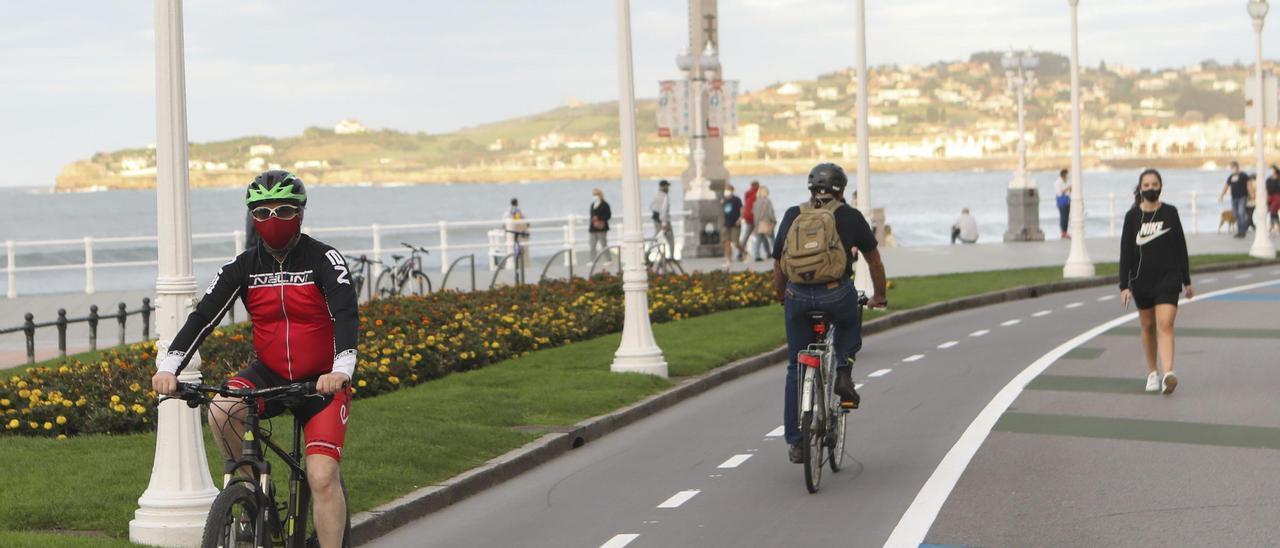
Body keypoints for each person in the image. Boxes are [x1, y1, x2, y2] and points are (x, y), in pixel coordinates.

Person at [150, 171, 356, 547]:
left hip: (322, 381)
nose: (272, 220)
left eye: (283, 210)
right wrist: (169, 365)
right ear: (251, 217)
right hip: (270, 373)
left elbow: (345, 314)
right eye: (261, 213)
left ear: (301, 213)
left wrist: (341, 369)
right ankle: (250, 494)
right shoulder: (243, 266)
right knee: (221, 409)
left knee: (322, 477)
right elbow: (203, 317)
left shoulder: (324, 259)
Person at [773, 163, 888, 463]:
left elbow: (777, 263)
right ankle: (844, 373)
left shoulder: (792, 214)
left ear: (811, 188)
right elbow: (874, 260)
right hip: (836, 293)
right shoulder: (849, 216)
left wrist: (781, 296)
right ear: (841, 189)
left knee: (794, 365)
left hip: (797, 295)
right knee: (850, 321)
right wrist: (880, 296)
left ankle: (797, 443)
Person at [1119, 168, 1192, 395]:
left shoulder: (1171, 213)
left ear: (1161, 186)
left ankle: (1168, 373)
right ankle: (1153, 372)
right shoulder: (1132, 218)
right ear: (1140, 188)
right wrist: (1124, 285)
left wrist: (1186, 280)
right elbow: (1126, 253)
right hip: (1142, 281)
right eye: (1147, 185)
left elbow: (1181, 247)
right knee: (1148, 326)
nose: (1151, 188)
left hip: (1168, 280)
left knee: (1166, 324)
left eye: (1155, 184)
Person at [1218, 161, 1251, 238]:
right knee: (1236, 214)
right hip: (1234, 198)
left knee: (1241, 213)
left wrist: (1251, 193)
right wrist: (1222, 195)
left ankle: (1242, 232)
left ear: (1237, 167)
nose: (1233, 168)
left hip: (1242, 197)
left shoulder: (1243, 175)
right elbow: (1226, 186)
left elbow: (1249, 184)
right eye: (1232, 167)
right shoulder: (1231, 177)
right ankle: (1239, 231)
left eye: (1234, 166)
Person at [721, 184, 745, 269]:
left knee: (736, 243)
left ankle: (744, 253)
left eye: (728, 190)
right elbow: (722, 211)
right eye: (725, 190)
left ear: (731, 191)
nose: (726, 191)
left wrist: (740, 219)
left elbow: (742, 210)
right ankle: (728, 261)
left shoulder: (737, 200)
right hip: (726, 224)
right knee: (726, 243)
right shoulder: (723, 200)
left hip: (735, 224)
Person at [751, 185, 777, 261]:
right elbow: (770, 213)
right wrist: (774, 220)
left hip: (758, 223)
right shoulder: (767, 201)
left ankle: (757, 255)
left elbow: (753, 213)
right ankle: (777, 253)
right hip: (767, 223)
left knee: (759, 240)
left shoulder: (756, 201)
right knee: (772, 239)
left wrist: (756, 224)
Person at [504, 197, 530, 271]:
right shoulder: (520, 211)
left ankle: (513, 263)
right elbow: (526, 222)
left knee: (512, 248)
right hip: (521, 233)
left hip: (511, 234)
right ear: (517, 203)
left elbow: (504, 223)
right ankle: (520, 262)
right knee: (521, 249)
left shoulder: (507, 212)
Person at [650, 180, 675, 258]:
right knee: (670, 239)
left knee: (656, 238)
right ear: (662, 187)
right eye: (666, 186)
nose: (668, 188)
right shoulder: (664, 197)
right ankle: (671, 257)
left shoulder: (656, 195)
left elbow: (651, 207)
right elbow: (663, 211)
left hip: (657, 220)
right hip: (663, 221)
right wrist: (664, 223)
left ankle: (647, 253)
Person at [588, 188, 612, 262]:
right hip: (593, 228)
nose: (594, 196)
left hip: (602, 228)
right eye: (593, 194)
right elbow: (591, 215)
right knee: (592, 245)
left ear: (599, 195)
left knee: (603, 245)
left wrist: (599, 218)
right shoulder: (592, 204)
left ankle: (608, 260)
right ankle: (593, 260)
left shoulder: (605, 204)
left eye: (596, 194)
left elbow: (608, 215)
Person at [741, 180, 760, 258]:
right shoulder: (757, 194)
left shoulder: (747, 193)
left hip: (747, 216)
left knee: (746, 235)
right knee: (760, 235)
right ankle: (758, 254)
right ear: (757, 186)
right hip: (755, 217)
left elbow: (745, 205)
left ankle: (740, 252)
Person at [1055, 168, 1071, 239]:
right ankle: (1063, 232)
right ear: (1064, 174)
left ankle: (1065, 232)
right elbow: (1059, 192)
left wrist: (1069, 189)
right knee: (1063, 217)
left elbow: (1069, 191)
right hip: (1061, 201)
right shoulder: (1058, 182)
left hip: (1067, 200)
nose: (1068, 175)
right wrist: (1067, 189)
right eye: (1067, 174)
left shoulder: (1067, 181)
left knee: (1066, 217)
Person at [1268, 164, 1280, 233]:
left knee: (1273, 210)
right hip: (1270, 198)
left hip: (1277, 197)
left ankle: (1272, 225)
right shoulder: (1269, 179)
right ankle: (1276, 225)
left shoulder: (1278, 179)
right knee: (1273, 211)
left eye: (1272, 169)